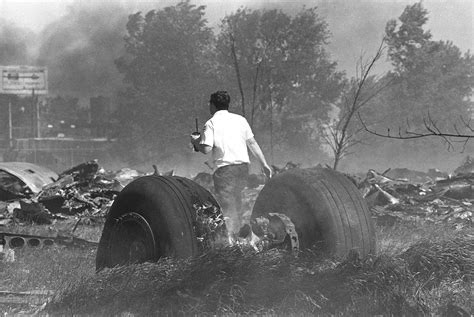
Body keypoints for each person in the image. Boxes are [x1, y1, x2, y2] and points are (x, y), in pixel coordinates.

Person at [191, 91, 272, 234]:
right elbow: (252, 144)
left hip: (225, 170)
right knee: (238, 200)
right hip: (242, 167)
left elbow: (206, 149)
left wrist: (196, 141)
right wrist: (264, 164)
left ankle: (232, 240)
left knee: (227, 206)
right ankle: (243, 235)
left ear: (213, 105)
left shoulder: (211, 123)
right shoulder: (241, 120)